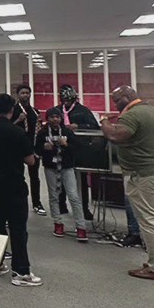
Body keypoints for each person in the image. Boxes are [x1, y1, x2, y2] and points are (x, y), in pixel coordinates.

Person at [102, 85, 154, 281]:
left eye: (117, 101)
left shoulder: (132, 115)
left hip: (144, 175)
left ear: (126, 98)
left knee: (149, 222)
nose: (115, 105)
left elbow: (114, 135)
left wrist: (104, 120)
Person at [0, 94, 42, 287]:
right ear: (11, 110)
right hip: (14, 186)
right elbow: (30, 160)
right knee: (18, 230)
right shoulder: (17, 132)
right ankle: (21, 272)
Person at [36, 107, 88, 242]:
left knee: (73, 196)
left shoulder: (66, 132)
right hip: (50, 167)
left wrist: (66, 145)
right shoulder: (42, 133)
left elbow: (78, 148)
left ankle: (81, 226)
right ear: (48, 118)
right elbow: (36, 150)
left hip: (67, 167)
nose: (55, 119)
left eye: (57, 117)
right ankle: (58, 223)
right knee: (54, 196)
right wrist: (44, 148)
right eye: (52, 117)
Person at [57, 84, 99, 221]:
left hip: (79, 150)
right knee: (60, 179)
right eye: (64, 100)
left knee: (80, 180)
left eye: (69, 100)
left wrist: (79, 126)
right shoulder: (58, 111)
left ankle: (84, 208)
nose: (66, 102)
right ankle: (61, 205)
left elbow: (94, 126)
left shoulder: (82, 111)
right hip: (61, 149)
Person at [13, 84, 45, 214]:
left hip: (32, 148)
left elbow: (37, 131)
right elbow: (8, 127)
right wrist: (18, 120)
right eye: (23, 93)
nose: (25, 95)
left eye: (27, 93)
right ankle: (16, 202)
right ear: (18, 95)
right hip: (16, 149)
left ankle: (37, 203)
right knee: (17, 176)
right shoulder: (13, 111)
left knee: (35, 177)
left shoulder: (34, 111)